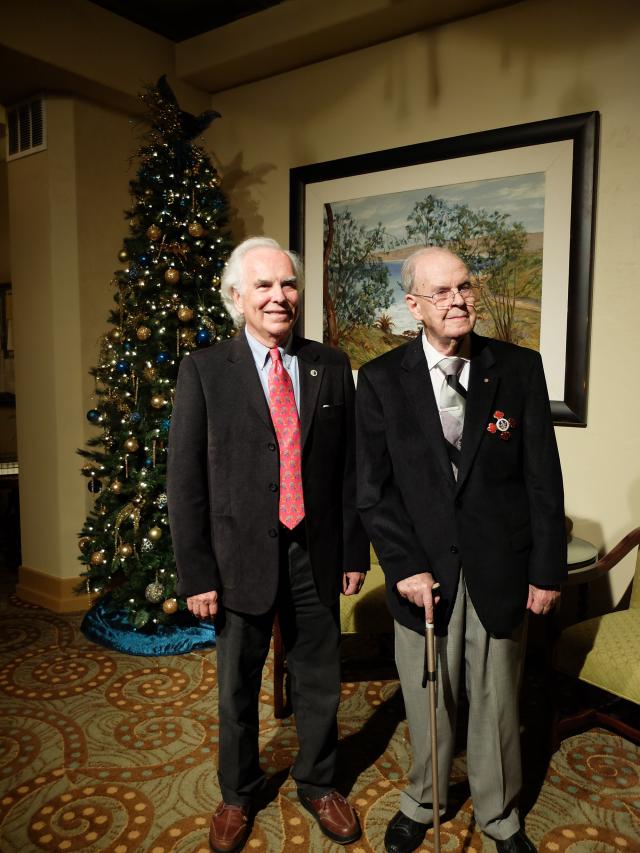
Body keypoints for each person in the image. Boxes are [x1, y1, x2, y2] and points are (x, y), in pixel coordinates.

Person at [356, 246, 566, 853]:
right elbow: (372, 492)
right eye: (441, 292)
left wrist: (546, 569)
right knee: (428, 698)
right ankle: (424, 799)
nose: (457, 300)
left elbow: (542, 480)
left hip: (503, 564)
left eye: (464, 287)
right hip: (422, 573)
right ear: (413, 304)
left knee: (498, 698)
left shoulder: (518, 369)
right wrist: (403, 566)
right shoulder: (380, 379)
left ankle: (500, 814)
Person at [167, 236, 369, 853]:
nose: (279, 297)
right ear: (237, 297)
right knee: (236, 684)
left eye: (287, 284)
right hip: (235, 561)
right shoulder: (204, 370)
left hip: (316, 552)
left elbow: (349, 468)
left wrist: (354, 552)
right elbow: (185, 481)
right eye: (264, 285)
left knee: (319, 677)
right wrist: (197, 574)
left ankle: (318, 781)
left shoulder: (328, 363)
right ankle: (238, 791)